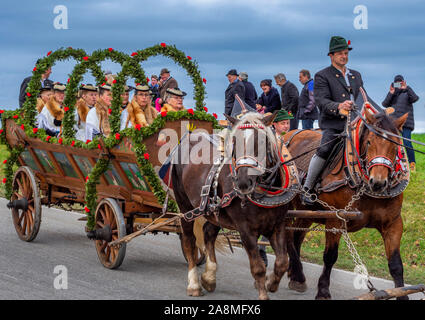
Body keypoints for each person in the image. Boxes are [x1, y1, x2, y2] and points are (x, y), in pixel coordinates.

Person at [301, 36, 364, 205]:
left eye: (345, 53)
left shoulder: (356, 75)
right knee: (325, 147)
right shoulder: (322, 75)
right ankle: (307, 188)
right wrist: (338, 106)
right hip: (334, 125)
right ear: (331, 56)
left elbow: (362, 97)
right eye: (340, 54)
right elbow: (321, 100)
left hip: (357, 124)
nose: (344, 56)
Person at [382, 75, 419, 172]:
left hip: (406, 123)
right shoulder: (393, 94)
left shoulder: (408, 92)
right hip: (394, 124)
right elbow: (384, 104)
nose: (399, 84)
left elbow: (415, 98)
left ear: (403, 82)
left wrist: (407, 88)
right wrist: (391, 93)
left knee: (407, 143)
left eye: (400, 82)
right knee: (393, 143)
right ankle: (395, 164)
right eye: (396, 83)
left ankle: (412, 164)